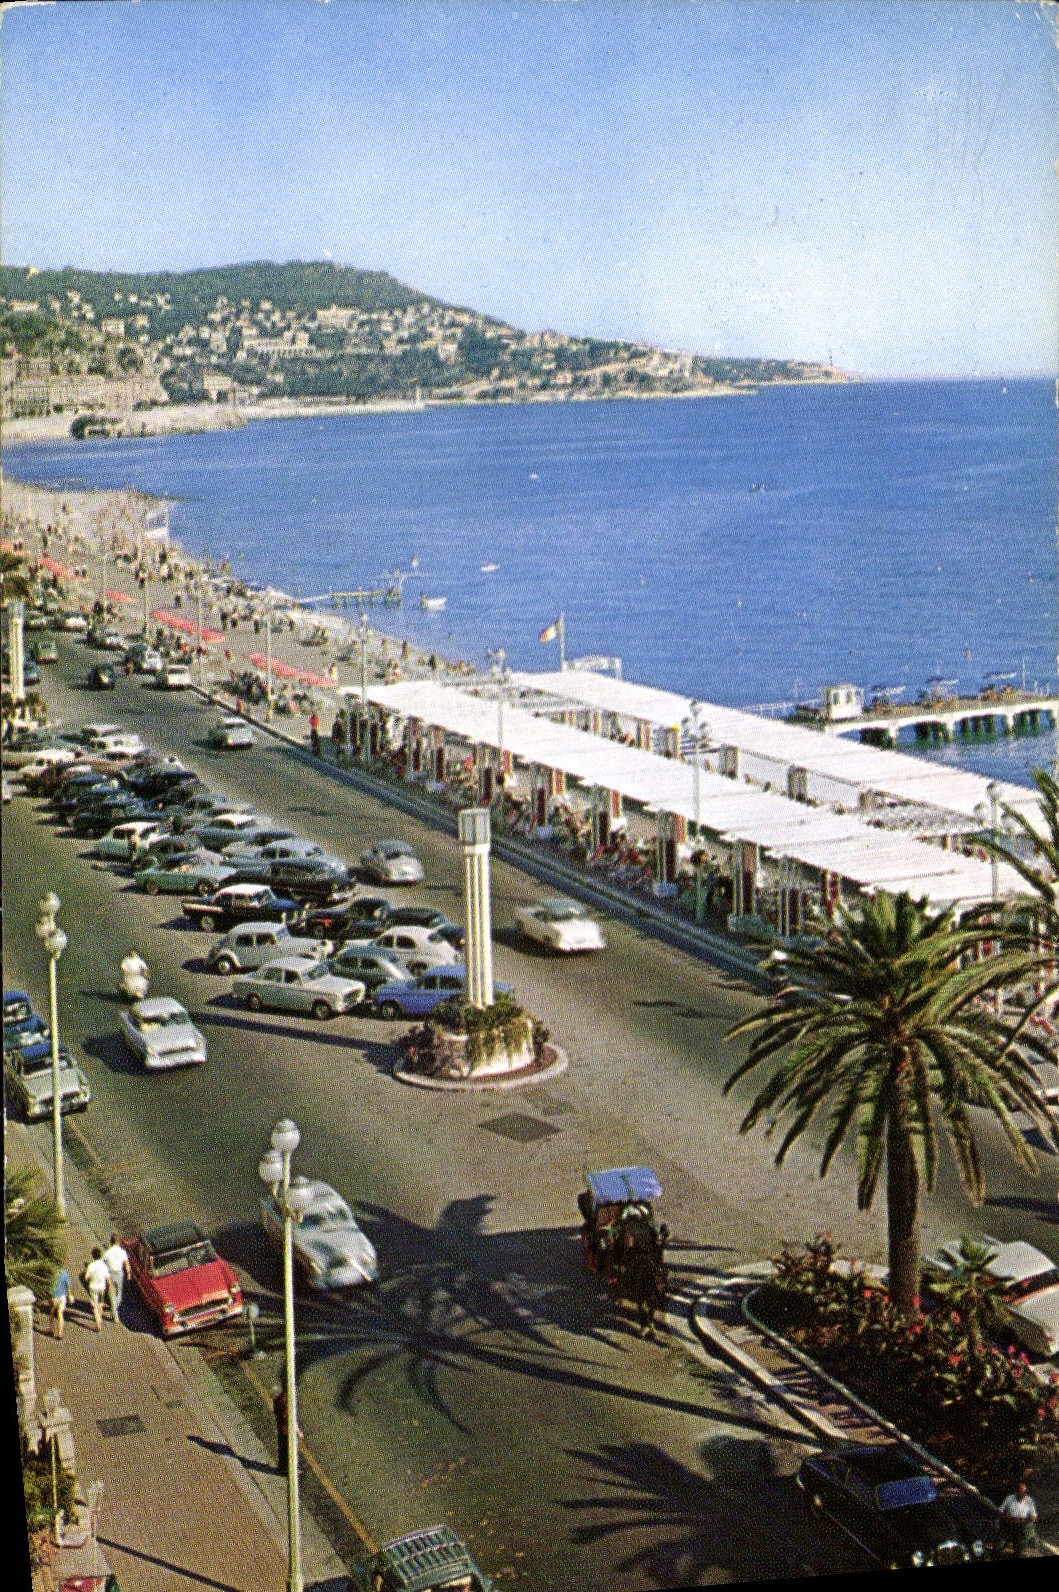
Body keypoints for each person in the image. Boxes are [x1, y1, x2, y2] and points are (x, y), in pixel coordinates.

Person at [997, 1481, 1038, 1555]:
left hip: (1022, 1524)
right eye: (1021, 1492)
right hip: (1010, 1523)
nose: (1023, 1494)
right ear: (1017, 1492)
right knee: (1000, 1543)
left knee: (1020, 1545)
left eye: (1024, 1492)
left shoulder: (1029, 1500)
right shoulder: (1009, 1498)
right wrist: (1006, 1516)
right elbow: (1000, 1510)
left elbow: (1034, 1516)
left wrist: (1030, 1518)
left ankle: (1019, 1550)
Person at [102, 1233, 132, 1322]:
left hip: (110, 1274)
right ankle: (116, 1306)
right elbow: (126, 1263)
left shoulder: (107, 1252)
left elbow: (103, 1263)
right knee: (119, 1292)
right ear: (118, 1242)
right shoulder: (122, 1252)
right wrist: (129, 1274)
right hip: (119, 1273)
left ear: (111, 1241)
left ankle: (114, 1313)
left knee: (111, 1293)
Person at [83, 1247, 111, 1332]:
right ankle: (100, 1314)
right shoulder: (104, 1266)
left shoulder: (91, 1266)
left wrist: (90, 1278)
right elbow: (108, 1278)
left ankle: (98, 1324)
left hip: (93, 1287)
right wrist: (109, 1287)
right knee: (101, 1303)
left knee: (94, 1306)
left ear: (93, 1256)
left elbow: (86, 1278)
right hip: (102, 1287)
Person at [49, 1266, 75, 1340]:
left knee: (52, 1312)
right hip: (62, 1297)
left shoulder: (52, 1273)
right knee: (60, 1313)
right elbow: (68, 1286)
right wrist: (70, 1295)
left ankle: (52, 1329)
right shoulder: (64, 1272)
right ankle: (60, 1332)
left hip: (53, 1296)